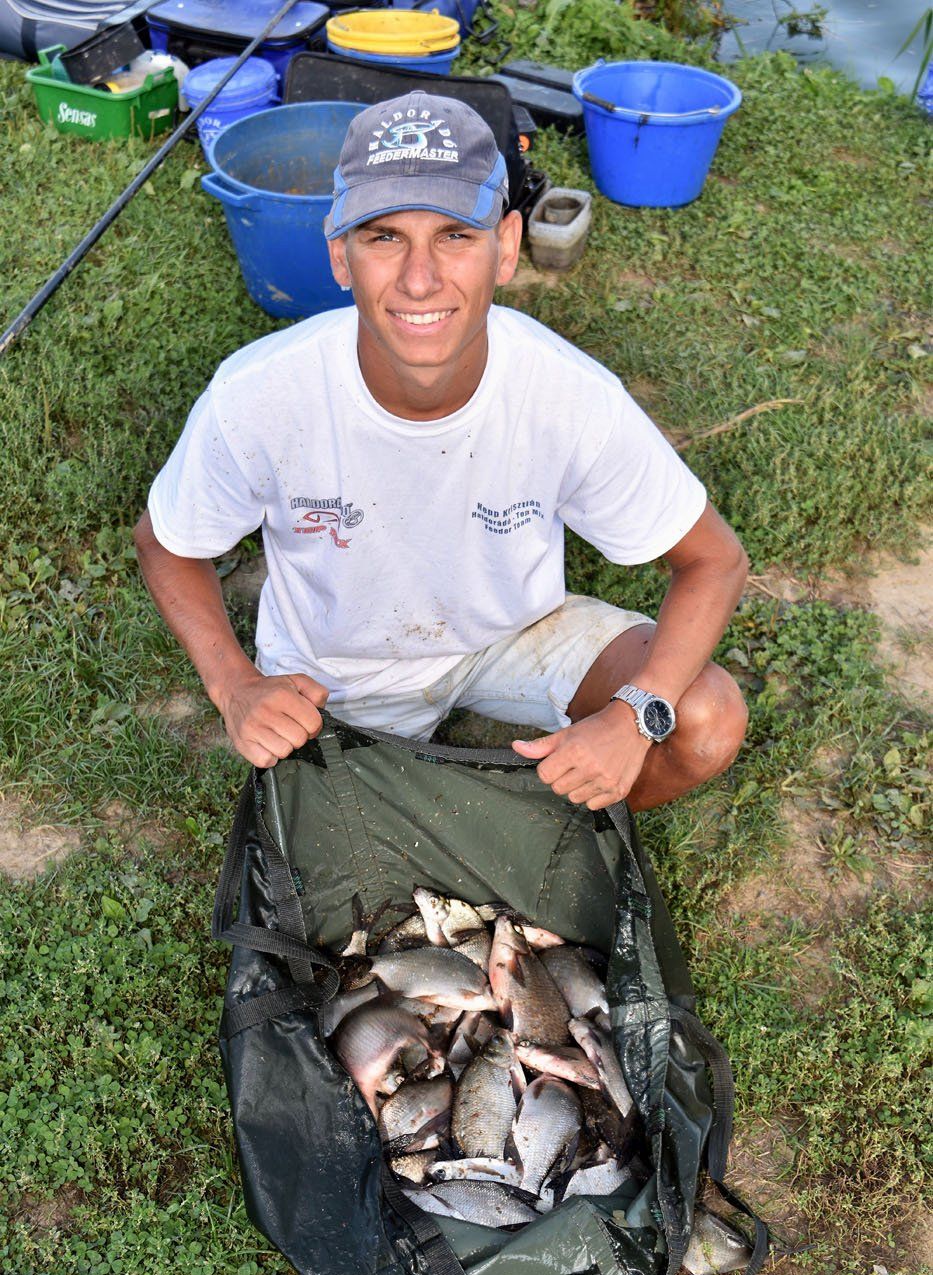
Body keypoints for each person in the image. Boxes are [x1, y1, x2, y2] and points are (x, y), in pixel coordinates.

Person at [134, 90, 749, 814]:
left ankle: (548, 844)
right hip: (337, 671)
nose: (420, 278)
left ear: (507, 249)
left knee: (703, 718)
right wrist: (232, 684)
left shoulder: (569, 394)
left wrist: (631, 714)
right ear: (339, 255)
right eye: (384, 236)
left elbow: (714, 558)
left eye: (455, 235)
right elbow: (165, 541)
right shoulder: (259, 393)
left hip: (516, 631)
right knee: (340, 857)